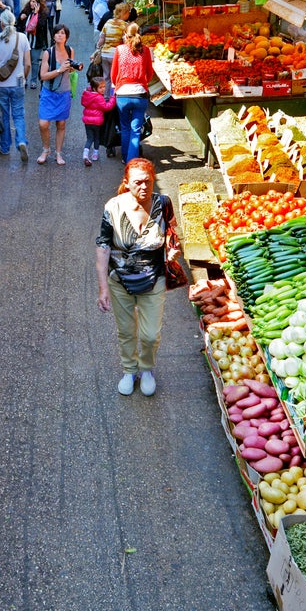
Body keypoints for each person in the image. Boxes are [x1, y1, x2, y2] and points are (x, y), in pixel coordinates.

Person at [96, 158, 177, 396]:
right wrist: (103, 288)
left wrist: (173, 248)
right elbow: (103, 246)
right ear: (127, 183)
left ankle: (147, 369)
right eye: (137, 182)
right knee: (126, 331)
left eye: (148, 182)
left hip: (154, 278)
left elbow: (172, 230)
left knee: (150, 334)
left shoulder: (163, 203)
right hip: (120, 280)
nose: (143, 187)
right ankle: (130, 370)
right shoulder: (113, 207)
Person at [0, 10, 30, 160]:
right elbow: (28, 64)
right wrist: (23, 78)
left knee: (4, 115)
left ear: (2, 23)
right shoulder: (22, 38)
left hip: (1, 83)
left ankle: (5, 147)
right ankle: (22, 141)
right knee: (18, 114)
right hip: (18, 82)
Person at [111, 23, 155, 164]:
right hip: (140, 95)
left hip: (122, 95)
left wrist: (117, 85)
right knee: (135, 130)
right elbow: (150, 73)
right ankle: (132, 160)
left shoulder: (119, 50)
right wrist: (142, 82)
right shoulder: (146, 50)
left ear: (125, 35)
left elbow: (113, 74)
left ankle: (125, 158)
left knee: (125, 128)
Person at [36, 24, 78, 166]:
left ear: (66, 37)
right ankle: (45, 150)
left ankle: (58, 153)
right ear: (53, 36)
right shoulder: (48, 53)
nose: (60, 35)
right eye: (57, 33)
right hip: (49, 92)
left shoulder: (70, 50)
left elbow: (71, 71)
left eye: (63, 33)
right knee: (43, 124)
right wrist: (60, 70)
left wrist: (72, 68)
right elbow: (43, 76)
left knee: (61, 123)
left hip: (64, 92)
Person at [80, 75, 115, 166]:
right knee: (96, 138)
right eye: (100, 87)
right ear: (95, 88)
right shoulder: (99, 97)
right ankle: (95, 154)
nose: (103, 89)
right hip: (97, 121)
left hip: (87, 121)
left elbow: (83, 103)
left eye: (104, 87)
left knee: (89, 138)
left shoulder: (87, 95)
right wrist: (112, 99)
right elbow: (106, 107)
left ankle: (85, 154)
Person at [23, 0, 52, 90]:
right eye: (31, 1)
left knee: (34, 62)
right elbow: (20, 24)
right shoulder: (26, 11)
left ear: (39, 4)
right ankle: (24, 79)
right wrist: (21, 18)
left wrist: (36, 14)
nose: (32, 3)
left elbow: (41, 26)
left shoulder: (42, 14)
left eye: (34, 2)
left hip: (36, 42)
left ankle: (33, 81)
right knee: (25, 62)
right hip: (25, 41)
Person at [97, 1, 133, 68]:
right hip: (116, 54)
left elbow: (102, 38)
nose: (129, 14)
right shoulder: (125, 25)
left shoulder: (109, 22)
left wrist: (98, 48)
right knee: (115, 76)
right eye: (128, 13)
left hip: (104, 54)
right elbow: (126, 41)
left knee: (106, 76)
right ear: (125, 13)